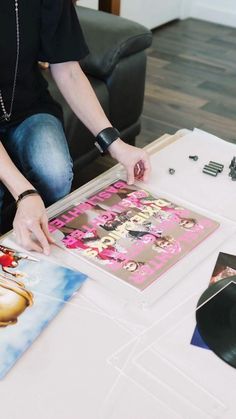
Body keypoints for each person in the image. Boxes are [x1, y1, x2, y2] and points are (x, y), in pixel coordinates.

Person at [0, 0, 150, 255]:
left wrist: (114, 142)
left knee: (56, 174)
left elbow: (68, 70)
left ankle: (33, 235)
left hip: (28, 107)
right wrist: (25, 193)